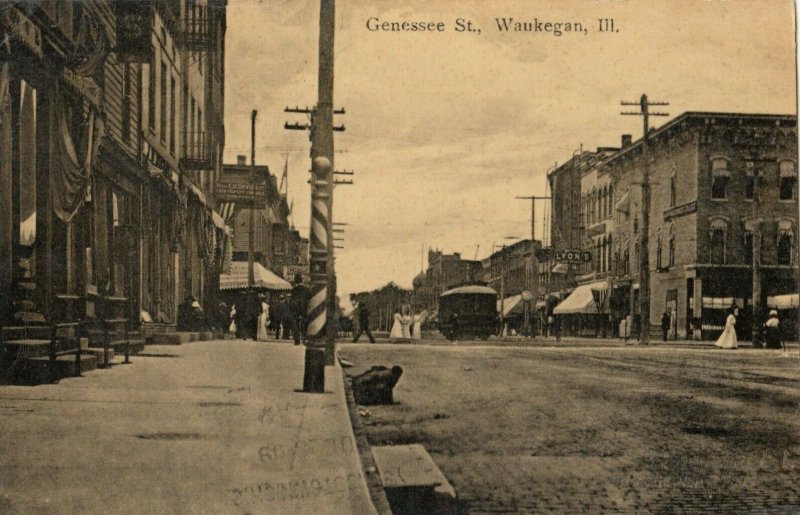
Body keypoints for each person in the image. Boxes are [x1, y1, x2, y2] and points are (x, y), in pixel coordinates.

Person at [289, 275, 309, 345]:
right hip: (304, 309)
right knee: (304, 324)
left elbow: (291, 301)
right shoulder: (306, 290)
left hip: (295, 310)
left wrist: (291, 309)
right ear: (302, 280)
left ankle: (297, 340)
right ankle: (304, 338)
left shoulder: (293, 290)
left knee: (295, 324)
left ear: (296, 281)